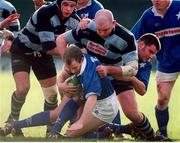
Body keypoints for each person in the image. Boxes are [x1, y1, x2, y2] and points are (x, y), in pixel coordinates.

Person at [55, 9, 163, 140]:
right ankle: (58, 129)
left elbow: (133, 70)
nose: (101, 33)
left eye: (105, 30)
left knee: (131, 112)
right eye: (98, 30)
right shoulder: (86, 27)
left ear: (114, 23)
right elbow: (61, 39)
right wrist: (67, 66)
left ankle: (152, 137)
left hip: (116, 74)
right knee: (76, 101)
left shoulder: (127, 38)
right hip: (96, 75)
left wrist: (108, 69)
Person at [0, 0, 80, 137]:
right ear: (59, 3)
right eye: (65, 4)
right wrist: (71, 57)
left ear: (76, 6)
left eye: (72, 6)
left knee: (52, 95)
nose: (68, 9)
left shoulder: (75, 20)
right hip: (22, 49)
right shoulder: (46, 12)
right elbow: (49, 48)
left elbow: (81, 41)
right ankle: (12, 123)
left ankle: (50, 131)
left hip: (42, 54)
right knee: (22, 89)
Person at [7, 45, 120, 139]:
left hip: (105, 107)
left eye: (74, 68)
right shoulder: (76, 60)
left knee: (72, 133)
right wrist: (61, 85)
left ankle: (106, 133)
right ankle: (17, 124)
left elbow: (92, 99)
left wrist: (81, 123)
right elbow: (63, 76)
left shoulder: (90, 72)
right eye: (69, 68)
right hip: (91, 100)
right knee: (63, 106)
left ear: (81, 60)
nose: (72, 71)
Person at [131, 0, 180, 138]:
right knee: (163, 98)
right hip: (166, 63)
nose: (156, 1)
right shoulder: (148, 16)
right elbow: (132, 38)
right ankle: (162, 133)